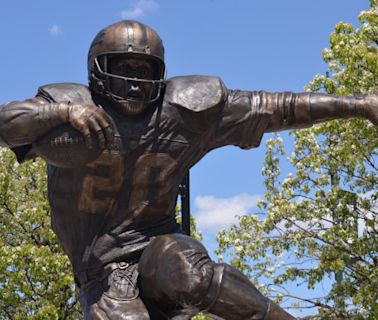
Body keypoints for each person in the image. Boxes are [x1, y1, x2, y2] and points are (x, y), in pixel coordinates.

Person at [0, 20, 377, 320]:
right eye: (124, 67)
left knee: (190, 274)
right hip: (101, 268)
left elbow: (276, 107)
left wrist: (359, 105)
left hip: (157, 243)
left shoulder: (184, 111)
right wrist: (62, 112)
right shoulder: (73, 107)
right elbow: (5, 124)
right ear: (100, 70)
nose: (134, 79)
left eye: (142, 68)